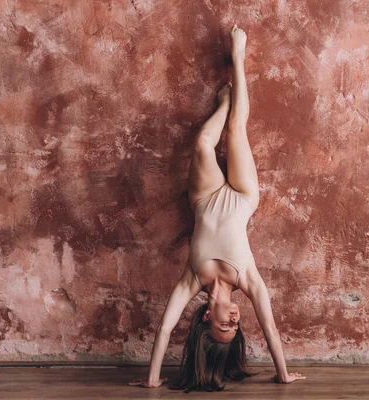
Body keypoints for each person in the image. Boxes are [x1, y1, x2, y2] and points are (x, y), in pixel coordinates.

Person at [129, 24, 306, 391]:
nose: (236, 319)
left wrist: (151, 380)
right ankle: (238, 58)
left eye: (226, 325)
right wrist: (283, 374)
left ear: (208, 317)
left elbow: (164, 328)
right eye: (236, 326)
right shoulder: (248, 280)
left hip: (204, 198)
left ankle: (224, 103)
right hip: (242, 197)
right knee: (237, 131)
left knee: (201, 146)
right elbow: (271, 327)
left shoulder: (191, 280)